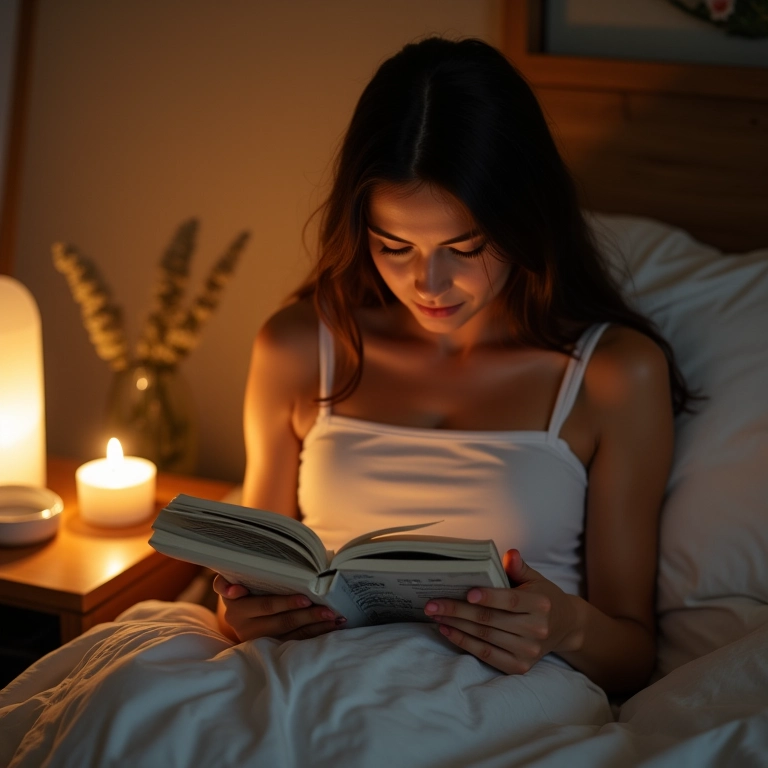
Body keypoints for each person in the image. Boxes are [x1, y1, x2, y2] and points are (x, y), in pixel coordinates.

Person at [214, 36, 692, 695]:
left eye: (465, 247)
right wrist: (243, 613)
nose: (427, 283)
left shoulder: (613, 374)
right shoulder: (298, 347)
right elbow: (253, 576)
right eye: (393, 246)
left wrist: (568, 627)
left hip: (496, 703)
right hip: (309, 689)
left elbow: (632, 656)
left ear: (523, 221)